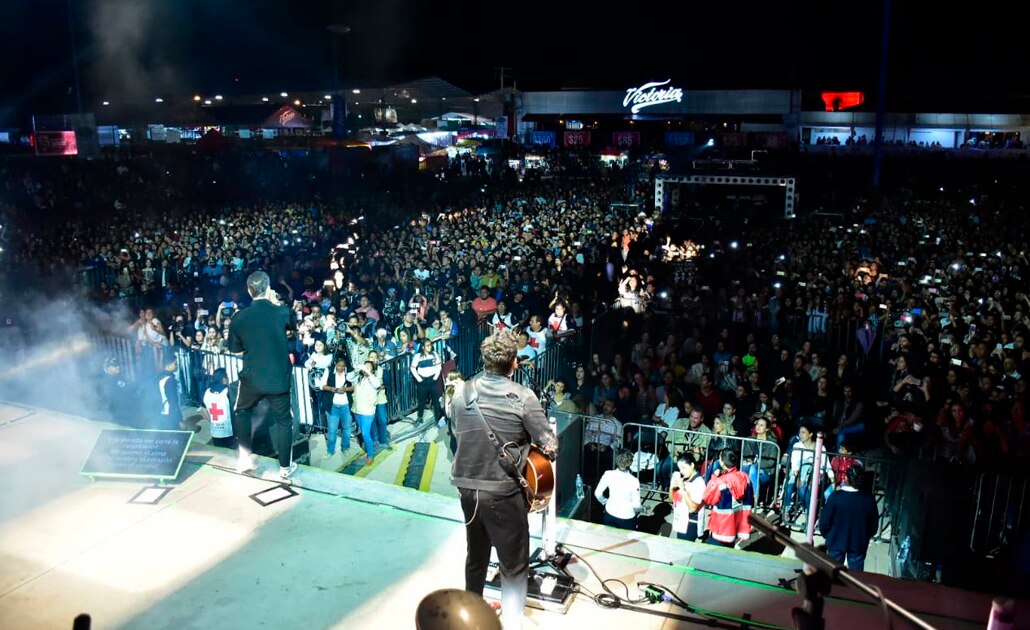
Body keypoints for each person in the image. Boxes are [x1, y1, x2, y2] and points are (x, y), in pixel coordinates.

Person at [449, 331, 558, 630]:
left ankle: (470, 618)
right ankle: (511, 624)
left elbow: (457, 431)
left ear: (484, 361)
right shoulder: (523, 397)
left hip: (468, 489)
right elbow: (550, 447)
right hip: (502, 492)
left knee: (476, 556)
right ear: (513, 364)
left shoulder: (462, 392)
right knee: (513, 565)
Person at [228, 271, 297, 479]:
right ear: (268, 289)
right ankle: (285, 468)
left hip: (252, 378)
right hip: (278, 378)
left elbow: (234, 348)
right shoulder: (282, 312)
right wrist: (276, 304)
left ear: (249, 291)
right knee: (284, 421)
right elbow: (293, 327)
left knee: (241, 411)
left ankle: (245, 459)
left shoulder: (239, 317)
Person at [819, 463, 879, 571]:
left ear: (846, 478)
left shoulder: (835, 497)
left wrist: (827, 535)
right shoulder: (869, 499)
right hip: (858, 543)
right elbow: (873, 525)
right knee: (856, 577)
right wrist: (865, 536)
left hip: (835, 540)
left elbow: (824, 522)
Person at [699, 449, 754, 547]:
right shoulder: (746, 478)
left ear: (722, 462)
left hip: (721, 527)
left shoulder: (720, 481)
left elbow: (707, 499)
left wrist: (714, 479)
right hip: (736, 525)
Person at [594, 448, 643, 530]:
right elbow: (636, 505)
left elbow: (597, 493)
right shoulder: (634, 481)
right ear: (630, 463)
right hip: (627, 517)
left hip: (610, 513)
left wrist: (605, 501)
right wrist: (642, 509)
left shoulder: (608, 474)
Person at [319, 358, 355, 459]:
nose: (341, 368)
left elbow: (355, 386)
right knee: (332, 430)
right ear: (335, 364)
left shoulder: (349, 371)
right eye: (339, 366)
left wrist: (346, 389)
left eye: (343, 366)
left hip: (346, 405)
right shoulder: (329, 370)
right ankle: (330, 451)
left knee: (347, 428)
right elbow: (321, 385)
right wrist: (332, 389)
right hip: (332, 405)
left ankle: (345, 447)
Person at [351, 360, 382, 466]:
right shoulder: (359, 378)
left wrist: (368, 373)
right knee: (363, 432)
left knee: (365, 433)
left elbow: (377, 384)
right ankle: (368, 451)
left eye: (368, 368)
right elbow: (348, 378)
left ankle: (370, 455)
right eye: (365, 367)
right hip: (357, 410)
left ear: (372, 370)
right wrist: (356, 370)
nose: (365, 369)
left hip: (367, 412)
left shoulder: (373, 379)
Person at [669, 452, 706, 542]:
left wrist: (683, 489)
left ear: (692, 465)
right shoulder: (683, 479)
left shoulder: (699, 483)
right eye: (679, 468)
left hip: (690, 524)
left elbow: (693, 508)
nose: (681, 471)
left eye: (684, 468)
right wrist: (671, 487)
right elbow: (672, 500)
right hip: (680, 522)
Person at [203, 368, 237, 448]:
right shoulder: (228, 391)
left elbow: (202, 409)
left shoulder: (207, 392)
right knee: (230, 453)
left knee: (219, 450)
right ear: (224, 379)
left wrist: (212, 422)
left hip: (215, 432)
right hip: (229, 432)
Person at [411, 341, 444, 424]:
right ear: (423, 347)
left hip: (432, 380)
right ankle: (420, 417)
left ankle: (438, 417)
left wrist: (435, 377)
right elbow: (413, 368)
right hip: (422, 381)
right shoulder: (417, 356)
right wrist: (419, 379)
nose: (430, 347)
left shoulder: (435, 354)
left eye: (430, 345)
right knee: (421, 400)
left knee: (436, 400)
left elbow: (438, 366)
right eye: (427, 345)